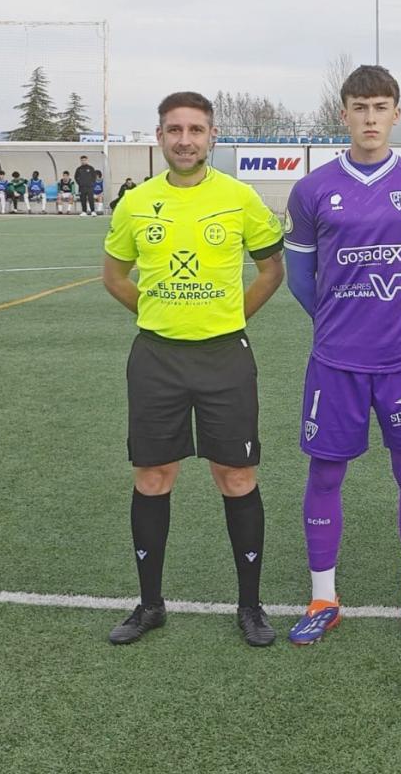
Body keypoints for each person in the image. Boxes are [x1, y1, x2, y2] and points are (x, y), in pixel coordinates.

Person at [102, 91, 285, 647]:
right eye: (175, 130)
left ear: (211, 136)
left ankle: (250, 607)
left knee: (236, 477)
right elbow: (114, 276)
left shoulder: (239, 197)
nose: (186, 140)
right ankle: (150, 604)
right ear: (160, 136)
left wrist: (229, 317)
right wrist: (158, 315)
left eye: (196, 130)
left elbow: (271, 270)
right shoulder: (135, 204)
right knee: (154, 477)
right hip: (156, 358)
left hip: (225, 356)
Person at [283, 65, 401, 646]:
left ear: (396, 113)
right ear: (344, 114)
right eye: (360, 108)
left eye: (381, 107)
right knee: (325, 472)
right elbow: (301, 279)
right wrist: (342, 324)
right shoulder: (311, 190)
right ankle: (323, 596)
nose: (371, 119)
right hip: (335, 362)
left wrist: (400, 322)